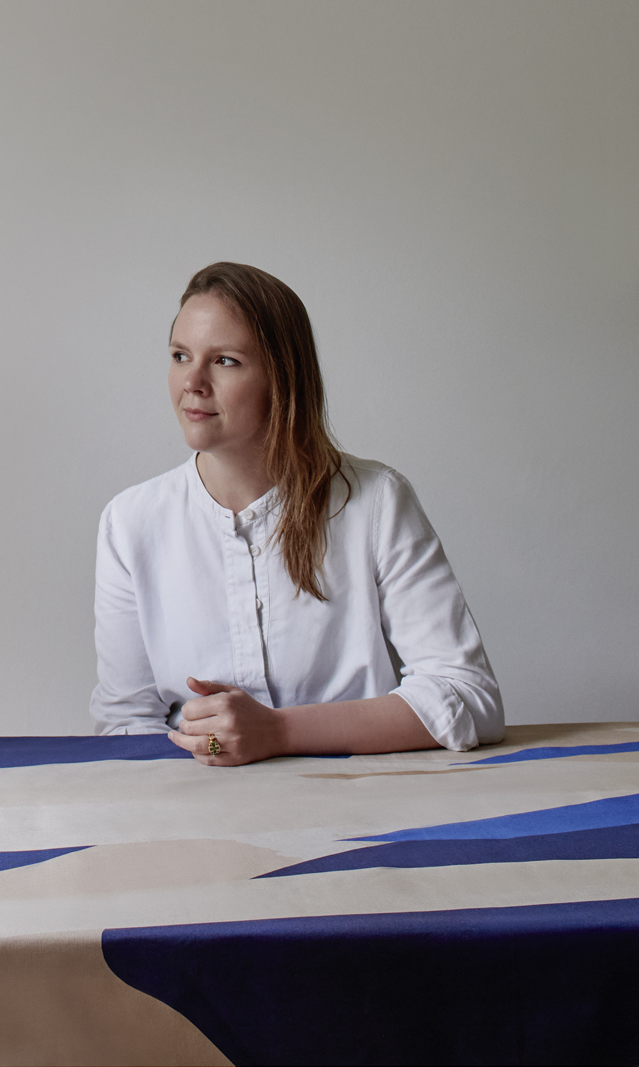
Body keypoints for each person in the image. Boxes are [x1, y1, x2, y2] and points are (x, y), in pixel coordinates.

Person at [90, 262, 504, 765]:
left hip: (365, 808)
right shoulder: (130, 522)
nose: (192, 382)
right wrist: (221, 752)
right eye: (181, 356)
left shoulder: (375, 501)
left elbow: (469, 697)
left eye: (224, 361)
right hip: (197, 813)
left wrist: (279, 733)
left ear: (282, 378)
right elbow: (126, 725)